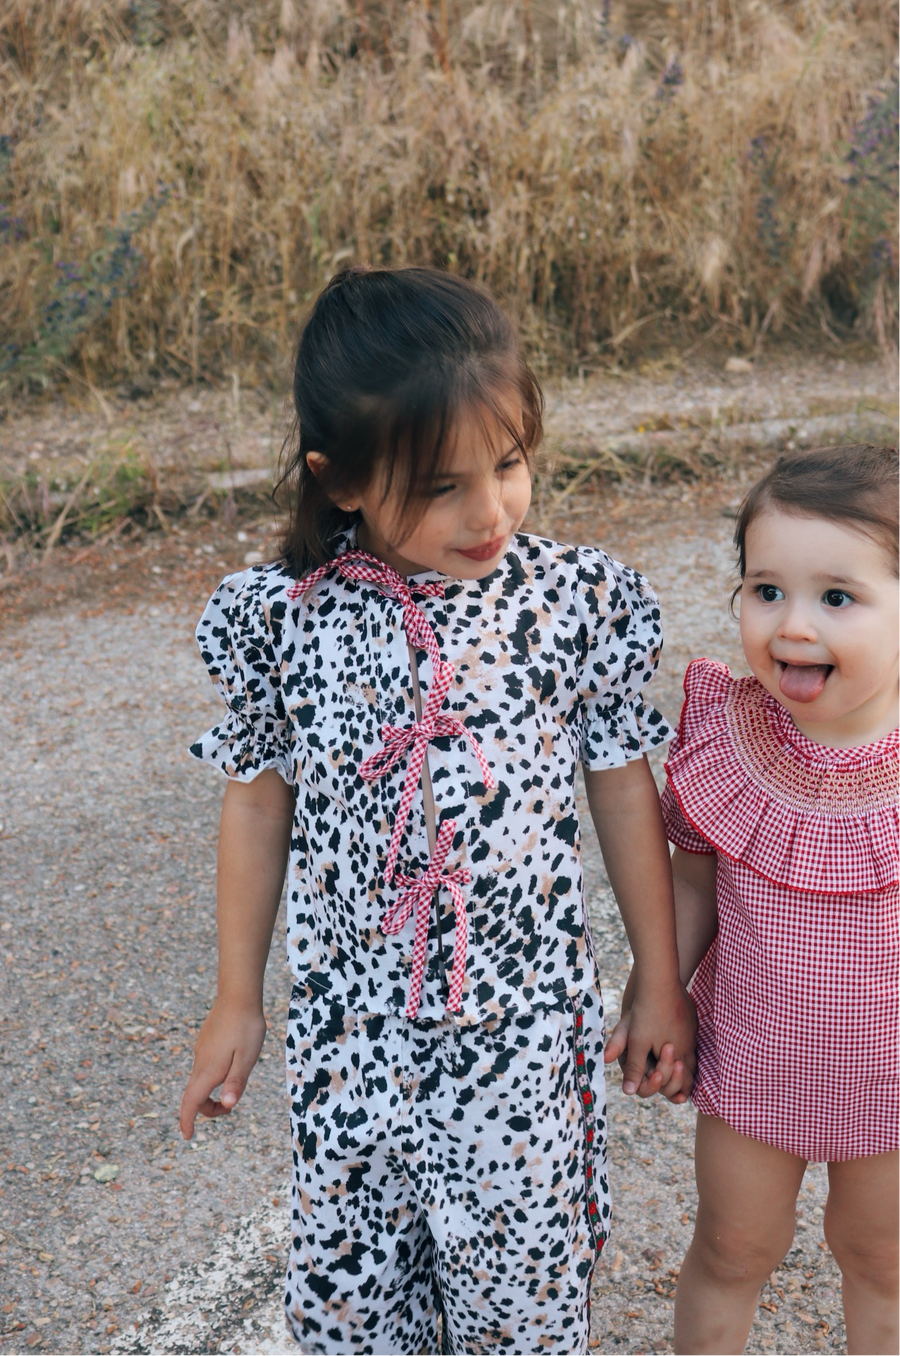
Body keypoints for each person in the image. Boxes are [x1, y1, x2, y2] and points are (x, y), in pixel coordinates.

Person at [178, 265, 695, 1356]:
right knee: (361, 1312)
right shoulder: (286, 621)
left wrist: (657, 977)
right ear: (342, 482)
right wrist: (237, 999)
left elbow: (620, 790)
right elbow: (258, 809)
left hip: (518, 1049)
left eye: (508, 465)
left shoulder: (568, 602)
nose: (491, 509)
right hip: (347, 1041)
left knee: (519, 1310)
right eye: (444, 485)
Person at [663, 444, 900, 1355]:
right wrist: (661, 991)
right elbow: (692, 877)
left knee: (880, 1257)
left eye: (836, 598)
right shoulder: (732, 735)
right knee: (733, 1244)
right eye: (767, 591)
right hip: (756, 1062)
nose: (791, 625)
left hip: (891, 1080)